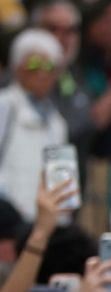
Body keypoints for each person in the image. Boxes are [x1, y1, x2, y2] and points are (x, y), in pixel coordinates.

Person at [0, 30, 70, 217]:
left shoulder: (57, 122)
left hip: (45, 228)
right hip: (8, 227)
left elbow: (61, 186)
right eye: (34, 64)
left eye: (49, 66)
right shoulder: (4, 106)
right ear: (17, 67)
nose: (42, 73)